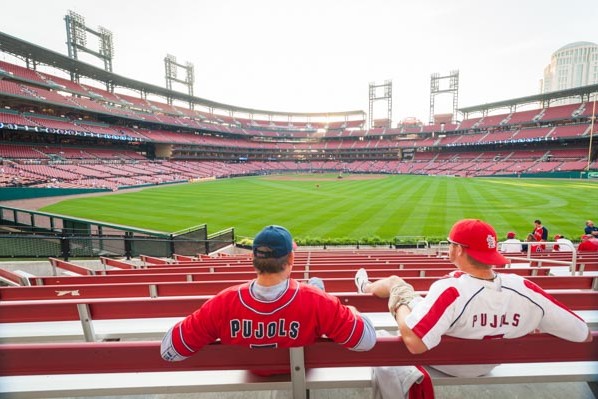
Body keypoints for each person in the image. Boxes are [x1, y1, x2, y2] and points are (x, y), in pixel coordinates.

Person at [355, 219, 591, 383]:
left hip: (448, 364)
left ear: (458, 250)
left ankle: (365, 287)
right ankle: (370, 287)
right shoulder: (525, 288)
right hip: (487, 364)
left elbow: (415, 343)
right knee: (414, 296)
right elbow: (583, 334)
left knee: (398, 284)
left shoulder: (450, 288)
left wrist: (399, 305)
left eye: (451, 244)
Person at [161, 225, 376, 372]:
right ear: (291, 258)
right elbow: (367, 341)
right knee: (316, 286)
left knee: (314, 287)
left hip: (251, 371)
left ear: (253, 259)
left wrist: (202, 322)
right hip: (301, 370)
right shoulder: (318, 302)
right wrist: (353, 313)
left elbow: (168, 351)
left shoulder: (223, 303)